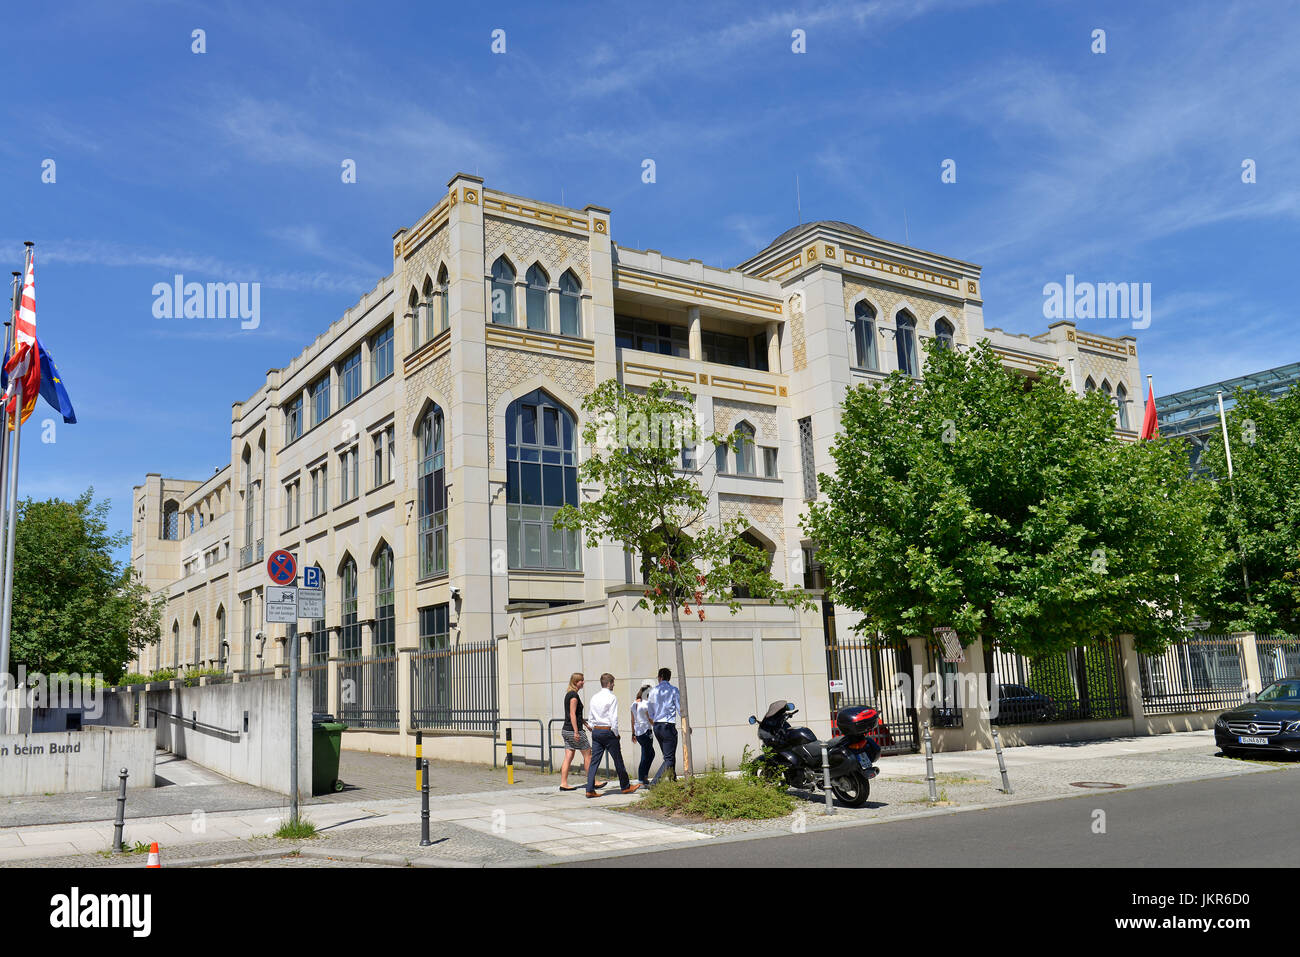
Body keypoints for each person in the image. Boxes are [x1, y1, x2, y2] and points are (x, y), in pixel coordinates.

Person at [584, 673, 641, 798]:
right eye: (613, 683)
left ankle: (589, 789)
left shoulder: (594, 697)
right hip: (608, 730)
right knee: (618, 760)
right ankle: (625, 787)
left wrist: (593, 728)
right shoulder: (612, 697)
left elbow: (591, 717)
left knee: (594, 761)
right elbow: (613, 717)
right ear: (609, 683)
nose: (614, 685)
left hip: (597, 731)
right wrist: (616, 733)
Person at [559, 673, 606, 792]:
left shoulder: (569, 694)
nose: (583, 682)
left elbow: (576, 716)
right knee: (588, 755)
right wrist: (576, 732)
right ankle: (593, 781)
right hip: (574, 731)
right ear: (576, 682)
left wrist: (586, 724)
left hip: (566, 730)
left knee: (568, 756)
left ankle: (563, 783)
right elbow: (572, 714)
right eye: (581, 681)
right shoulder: (574, 696)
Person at [647, 667, 681, 785]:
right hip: (668, 725)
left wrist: (654, 720)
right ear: (669, 678)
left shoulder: (652, 691)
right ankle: (655, 782)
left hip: (657, 726)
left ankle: (673, 779)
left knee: (668, 755)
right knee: (669, 757)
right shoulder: (673, 690)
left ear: (659, 677)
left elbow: (650, 711)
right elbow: (680, 708)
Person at [631, 684, 654, 786]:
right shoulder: (646, 704)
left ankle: (644, 777)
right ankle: (642, 778)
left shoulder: (634, 704)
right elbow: (650, 719)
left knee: (649, 753)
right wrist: (657, 726)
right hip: (646, 731)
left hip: (638, 732)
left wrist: (633, 733)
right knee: (647, 755)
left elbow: (632, 720)